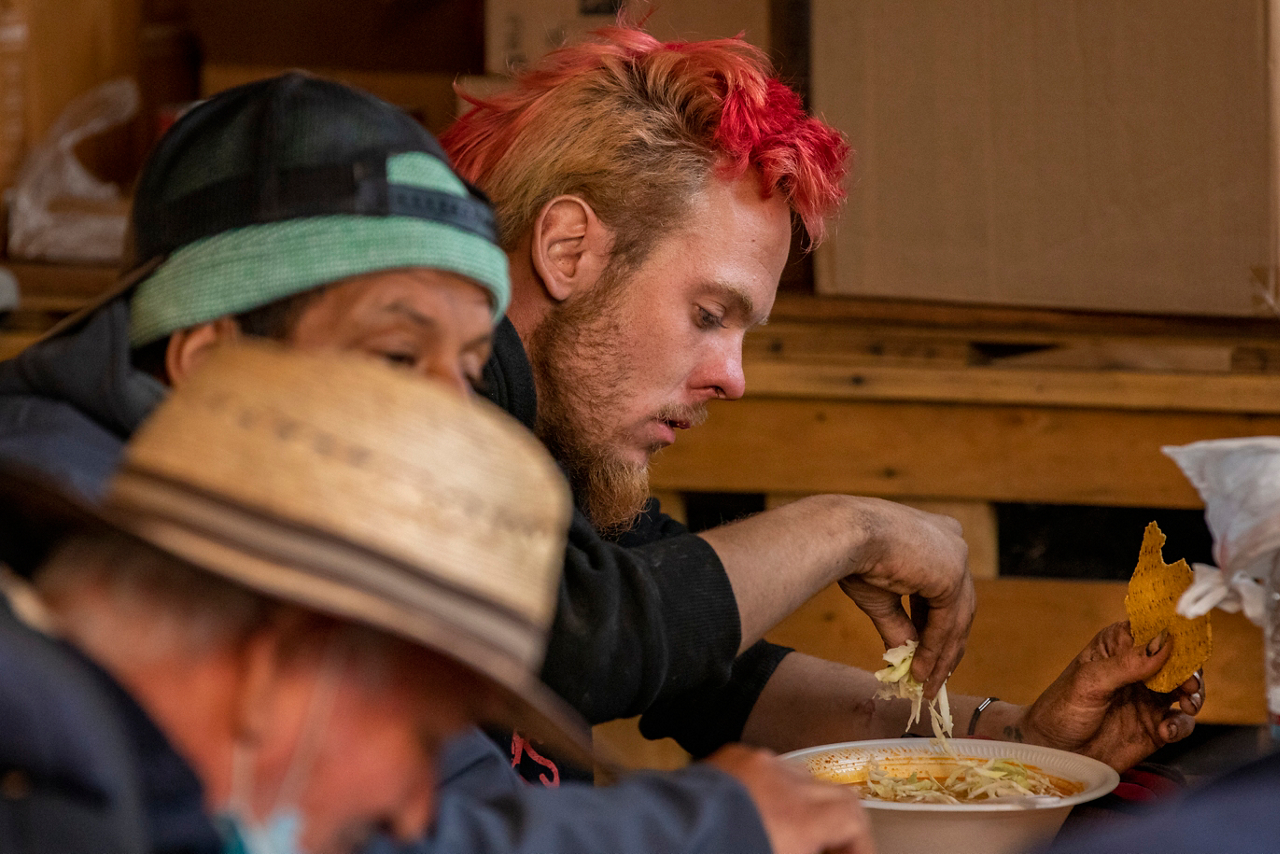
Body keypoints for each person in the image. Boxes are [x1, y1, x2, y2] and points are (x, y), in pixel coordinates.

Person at [0, 72, 873, 854]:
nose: (449, 423)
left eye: (464, 371)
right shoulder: (88, 579)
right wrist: (712, 823)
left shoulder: (319, 522)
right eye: (393, 358)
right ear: (212, 363)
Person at [442, 24, 1204, 772]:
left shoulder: (552, 444)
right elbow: (592, 639)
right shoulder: (423, 413)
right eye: (708, 315)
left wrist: (1017, 743)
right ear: (570, 249)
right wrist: (850, 527)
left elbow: (717, 678)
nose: (732, 379)